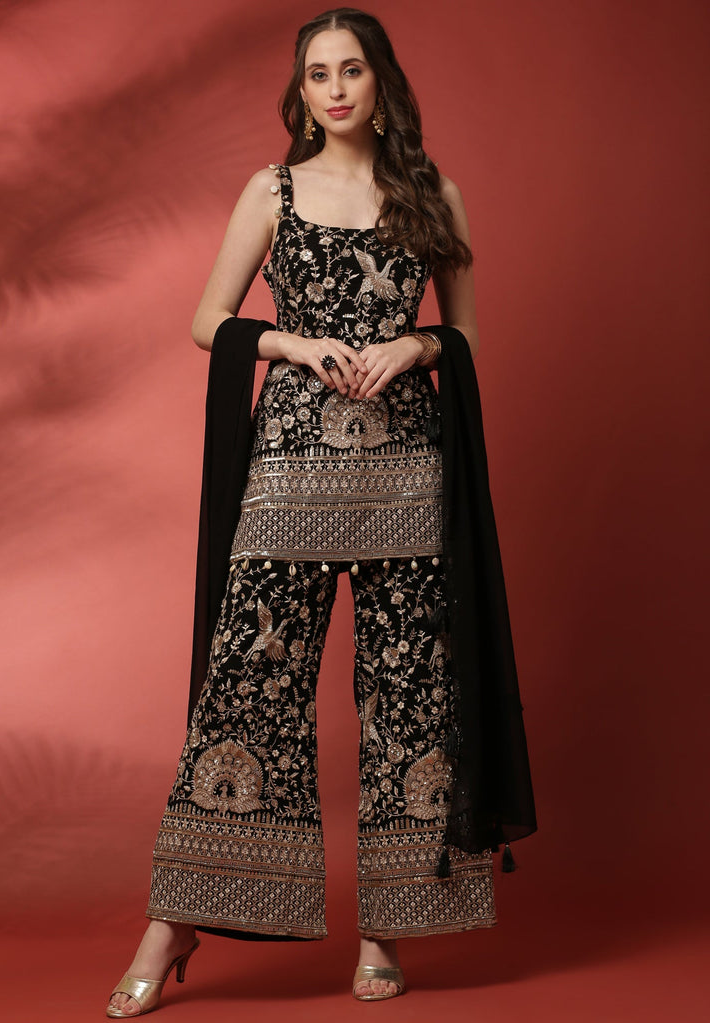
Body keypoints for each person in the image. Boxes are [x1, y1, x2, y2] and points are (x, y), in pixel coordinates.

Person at [106, 6, 536, 1016]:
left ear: (381, 82)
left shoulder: (431, 192)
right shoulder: (273, 188)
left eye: (350, 71)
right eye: (316, 74)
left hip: (407, 471)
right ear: (299, 91)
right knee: (247, 689)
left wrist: (415, 347)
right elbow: (207, 320)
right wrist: (291, 344)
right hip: (291, 464)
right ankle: (175, 922)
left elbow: (464, 335)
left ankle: (386, 931)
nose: (334, 89)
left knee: (408, 692)